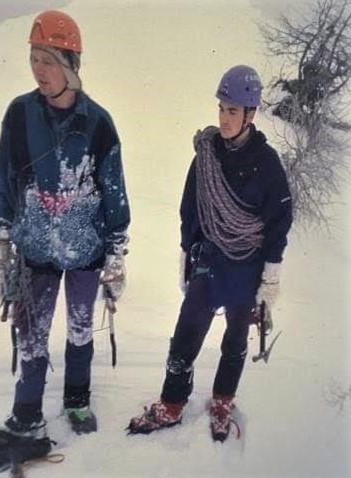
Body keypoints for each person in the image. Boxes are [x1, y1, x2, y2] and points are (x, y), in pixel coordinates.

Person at [0, 9, 130, 469]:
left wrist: (117, 251)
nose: (39, 71)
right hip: (36, 249)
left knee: (82, 328)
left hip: (86, 250)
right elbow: (4, 178)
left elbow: (114, 189)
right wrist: (3, 245)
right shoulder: (20, 114)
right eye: (33, 59)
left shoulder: (99, 123)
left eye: (48, 60)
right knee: (32, 336)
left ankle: (77, 400)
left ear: (70, 64)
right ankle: (26, 416)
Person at [128, 65, 292, 442]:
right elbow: (190, 206)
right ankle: (172, 402)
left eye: (232, 110)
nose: (224, 117)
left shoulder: (267, 164)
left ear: (250, 114)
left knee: (236, 338)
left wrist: (271, 276)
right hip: (210, 261)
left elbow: (279, 220)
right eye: (221, 108)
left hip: (247, 267)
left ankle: (222, 401)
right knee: (187, 330)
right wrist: (188, 251)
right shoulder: (206, 154)